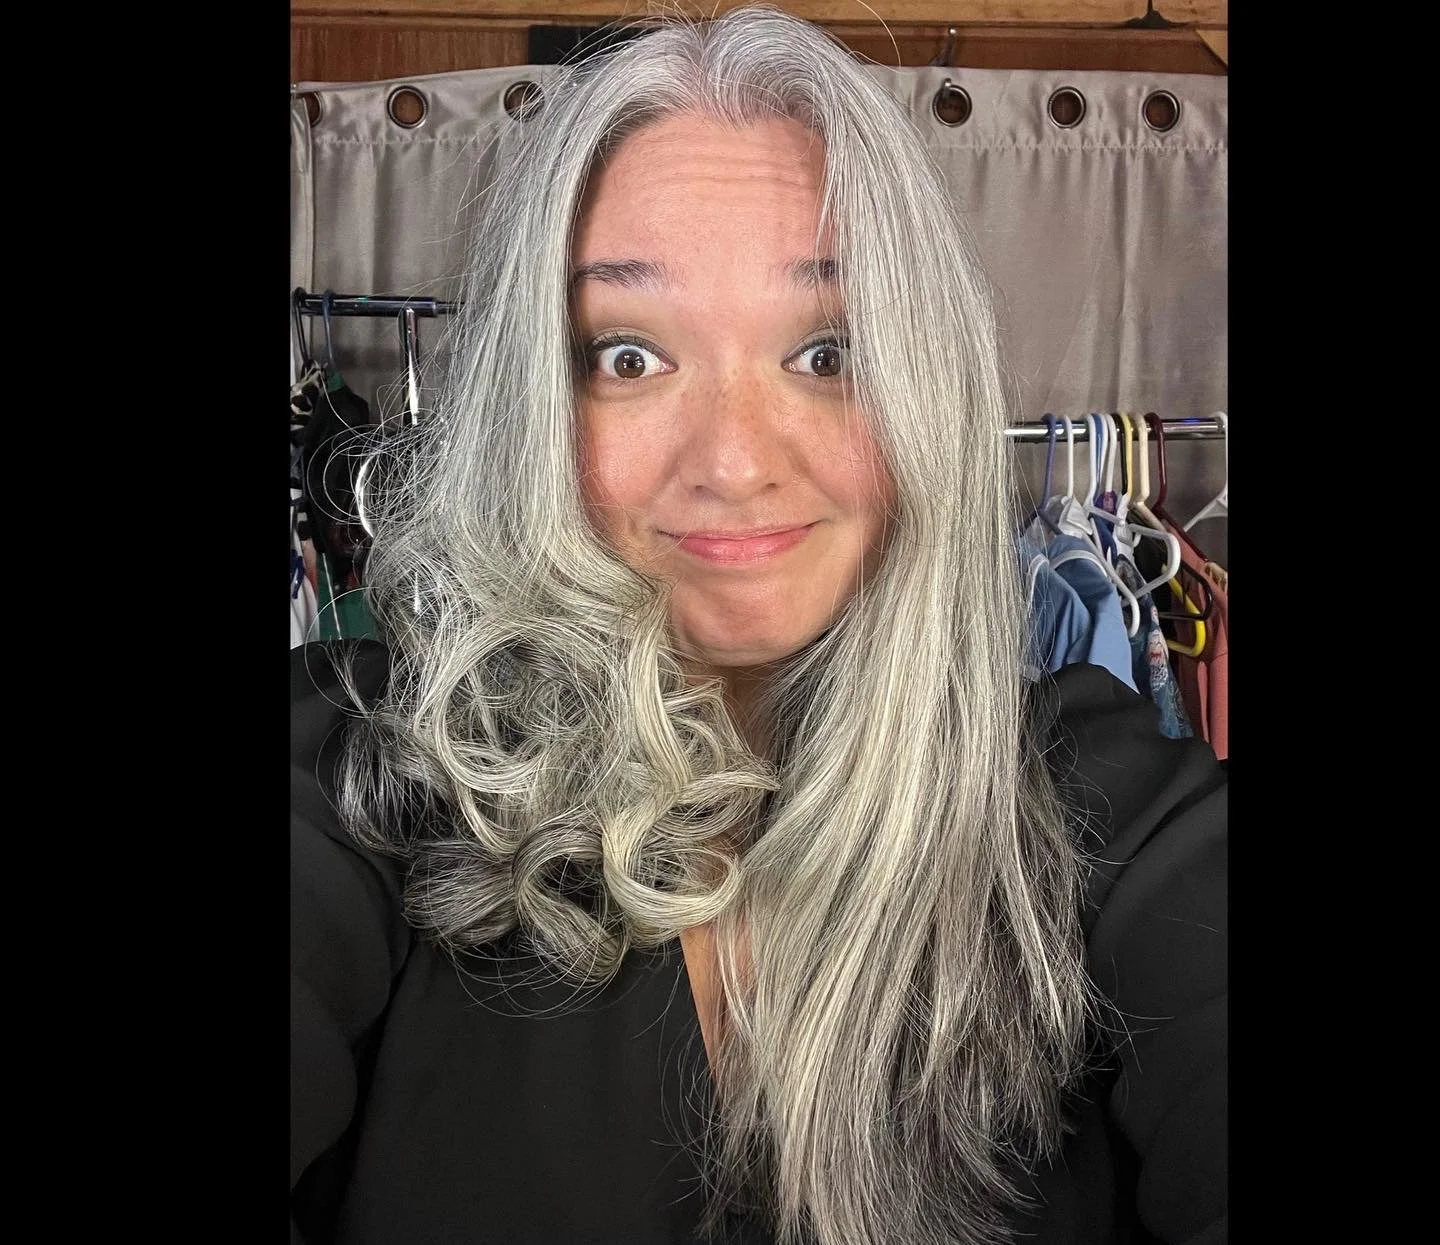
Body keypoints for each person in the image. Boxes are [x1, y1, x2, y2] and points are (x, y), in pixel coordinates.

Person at [290, 7, 1227, 1244]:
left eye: (826, 351)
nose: (734, 464)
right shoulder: (361, 770)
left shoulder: (1107, 806)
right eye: (629, 357)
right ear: (535, 406)